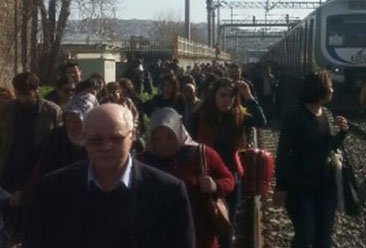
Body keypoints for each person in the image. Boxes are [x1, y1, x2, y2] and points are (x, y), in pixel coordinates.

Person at [26, 104, 195, 247]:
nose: (106, 147)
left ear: (132, 136)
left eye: (116, 139)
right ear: (84, 138)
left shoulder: (168, 192)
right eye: (96, 140)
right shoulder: (53, 189)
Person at [274, 71, 349, 248]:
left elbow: (329, 147)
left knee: (323, 240)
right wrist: (281, 186)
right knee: (306, 234)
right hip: (300, 188)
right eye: (330, 86)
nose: (333, 89)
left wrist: (343, 132)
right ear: (320, 89)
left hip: (325, 186)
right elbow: (283, 152)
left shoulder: (328, 114)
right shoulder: (294, 116)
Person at [139, 108, 235, 248]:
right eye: (158, 138)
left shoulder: (201, 154)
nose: (164, 143)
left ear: (179, 133)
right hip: (157, 237)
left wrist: (215, 185)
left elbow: (229, 179)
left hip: (200, 237)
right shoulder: (143, 161)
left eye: (169, 137)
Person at [188, 77, 266, 248]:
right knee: (205, 223)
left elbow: (261, 121)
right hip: (206, 177)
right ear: (214, 96)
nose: (227, 100)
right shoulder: (200, 116)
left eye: (231, 96)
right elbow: (189, 141)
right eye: (222, 96)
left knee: (227, 224)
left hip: (231, 177)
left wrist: (248, 96)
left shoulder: (238, 115)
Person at [0, 72, 62, 242]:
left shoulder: (51, 111)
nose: (23, 99)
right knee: (8, 218)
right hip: (9, 169)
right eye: (19, 94)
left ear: (36, 90)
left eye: (26, 94)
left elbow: (58, 142)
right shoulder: (8, 110)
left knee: (32, 217)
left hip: (36, 170)